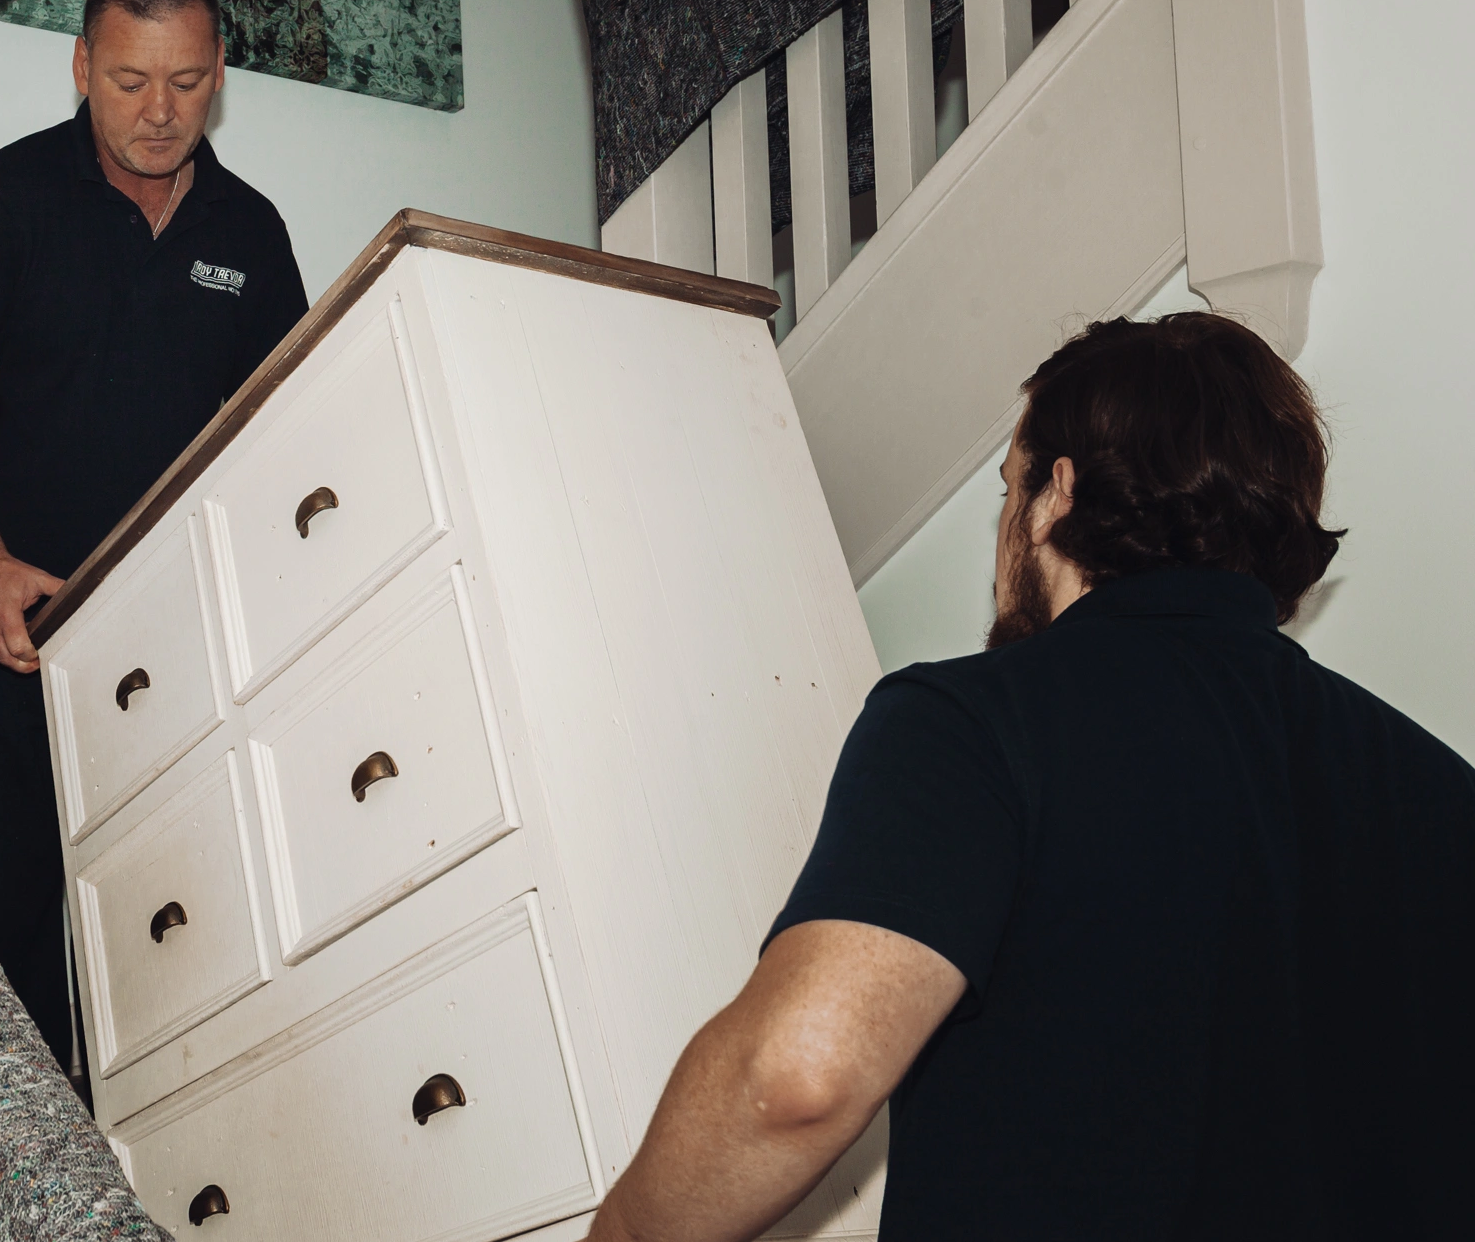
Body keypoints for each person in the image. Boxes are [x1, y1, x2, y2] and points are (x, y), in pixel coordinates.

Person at [586, 312, 1474, 1240]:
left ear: (1057, 494)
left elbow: (795, 1077)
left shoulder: (973, 719)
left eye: (1010, 488)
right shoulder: (1445, 792)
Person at [0, 0, 309, 1070]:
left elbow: (281, 435)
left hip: (171, 652)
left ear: (218, 75)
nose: (158, 111)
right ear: (82, 67)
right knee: (12, 939)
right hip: (11, 644)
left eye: (185, 81)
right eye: (130, 81)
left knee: (163, 934)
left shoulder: (251, 234)